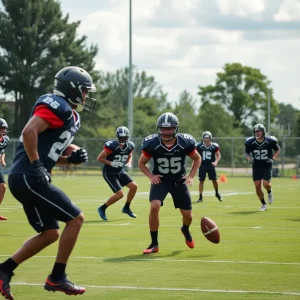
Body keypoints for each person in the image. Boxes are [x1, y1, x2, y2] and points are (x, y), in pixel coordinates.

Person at [0, 66, 96, 299]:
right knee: (76, 219)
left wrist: (70, 159)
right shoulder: (56, 104)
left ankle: (4, 271)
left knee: (50, 232)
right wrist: (37, 165)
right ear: (72, 89)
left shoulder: (72, 115)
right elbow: (28, 132)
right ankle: (57, 278)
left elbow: (50, 152)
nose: (86, 96)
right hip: (28, 175)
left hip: (27, 176)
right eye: (84, 91)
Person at [138, 112, 201, 254]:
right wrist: (150, 176)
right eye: (163, 129)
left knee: (188, 216)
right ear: (158, 129)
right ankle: (154, 244)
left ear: (176, 129)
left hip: (179, 180)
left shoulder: (185, 142)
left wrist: (191, 176)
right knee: (155, 206)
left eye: (169, 129)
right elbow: (141, 163)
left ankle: (185, 229)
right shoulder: (152, 143)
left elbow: (197, 159)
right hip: (161, 180)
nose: (166, 132)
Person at [97, 126, 138, 221]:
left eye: (125, 138)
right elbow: (99, 158)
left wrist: (129, 163)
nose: (123, 140)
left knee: (134, 187)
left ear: (127, 137)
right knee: (120, 194)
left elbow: (129, 155)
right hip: (109, 172)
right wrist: (111, 163)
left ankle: (126, 208)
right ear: (117, 137)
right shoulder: (111, 146)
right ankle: (102, 208)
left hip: (120, 171)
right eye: (121, 138)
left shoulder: (130, 146)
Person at [244, 123, 281, 212]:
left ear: (263, 132)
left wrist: (273, 158)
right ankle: (263, 204)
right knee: (257, 186)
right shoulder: (250, 142)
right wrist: (249, 159)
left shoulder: (269, 141)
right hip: (256, 165)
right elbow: (246, 153)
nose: (257, 133)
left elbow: (278, 149)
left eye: (259, 131)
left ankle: (269, 192)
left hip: (266, 164)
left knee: (266, 184)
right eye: (256, 131)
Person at [196, 131, 222, 203]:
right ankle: (200, 197)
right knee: (201, 181)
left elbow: (218, 155)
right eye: (205, 138)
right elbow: (195, 155)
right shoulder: (199, 146)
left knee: (214, 180)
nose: (206, 140)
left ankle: (217, 193)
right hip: (202, 166)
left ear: (210, 138)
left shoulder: (214, 146)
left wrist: (216, 162)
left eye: (207, 138)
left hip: (211, 166)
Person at [0, 118, 10, 221]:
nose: (2, 130)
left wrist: (2, 160)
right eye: (1, 128)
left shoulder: (6, 139)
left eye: (4, 128)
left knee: (2, 187)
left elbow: (2, 151)